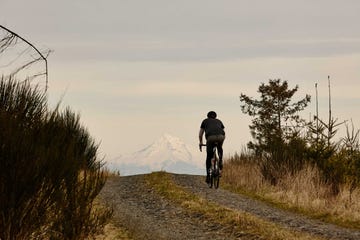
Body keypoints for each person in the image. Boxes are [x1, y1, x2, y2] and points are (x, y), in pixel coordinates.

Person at [199, 111, 225, 183]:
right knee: (219, 148)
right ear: (215, 116)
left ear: (207, 116)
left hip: (210, 137)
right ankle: (220, 161)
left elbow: (200, 134)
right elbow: (223, 131)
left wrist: (201, 143)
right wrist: (220, 144)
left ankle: (208, 176)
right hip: (221, 136)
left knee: (209, 156)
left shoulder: (205, 121)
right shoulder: (219, 121)